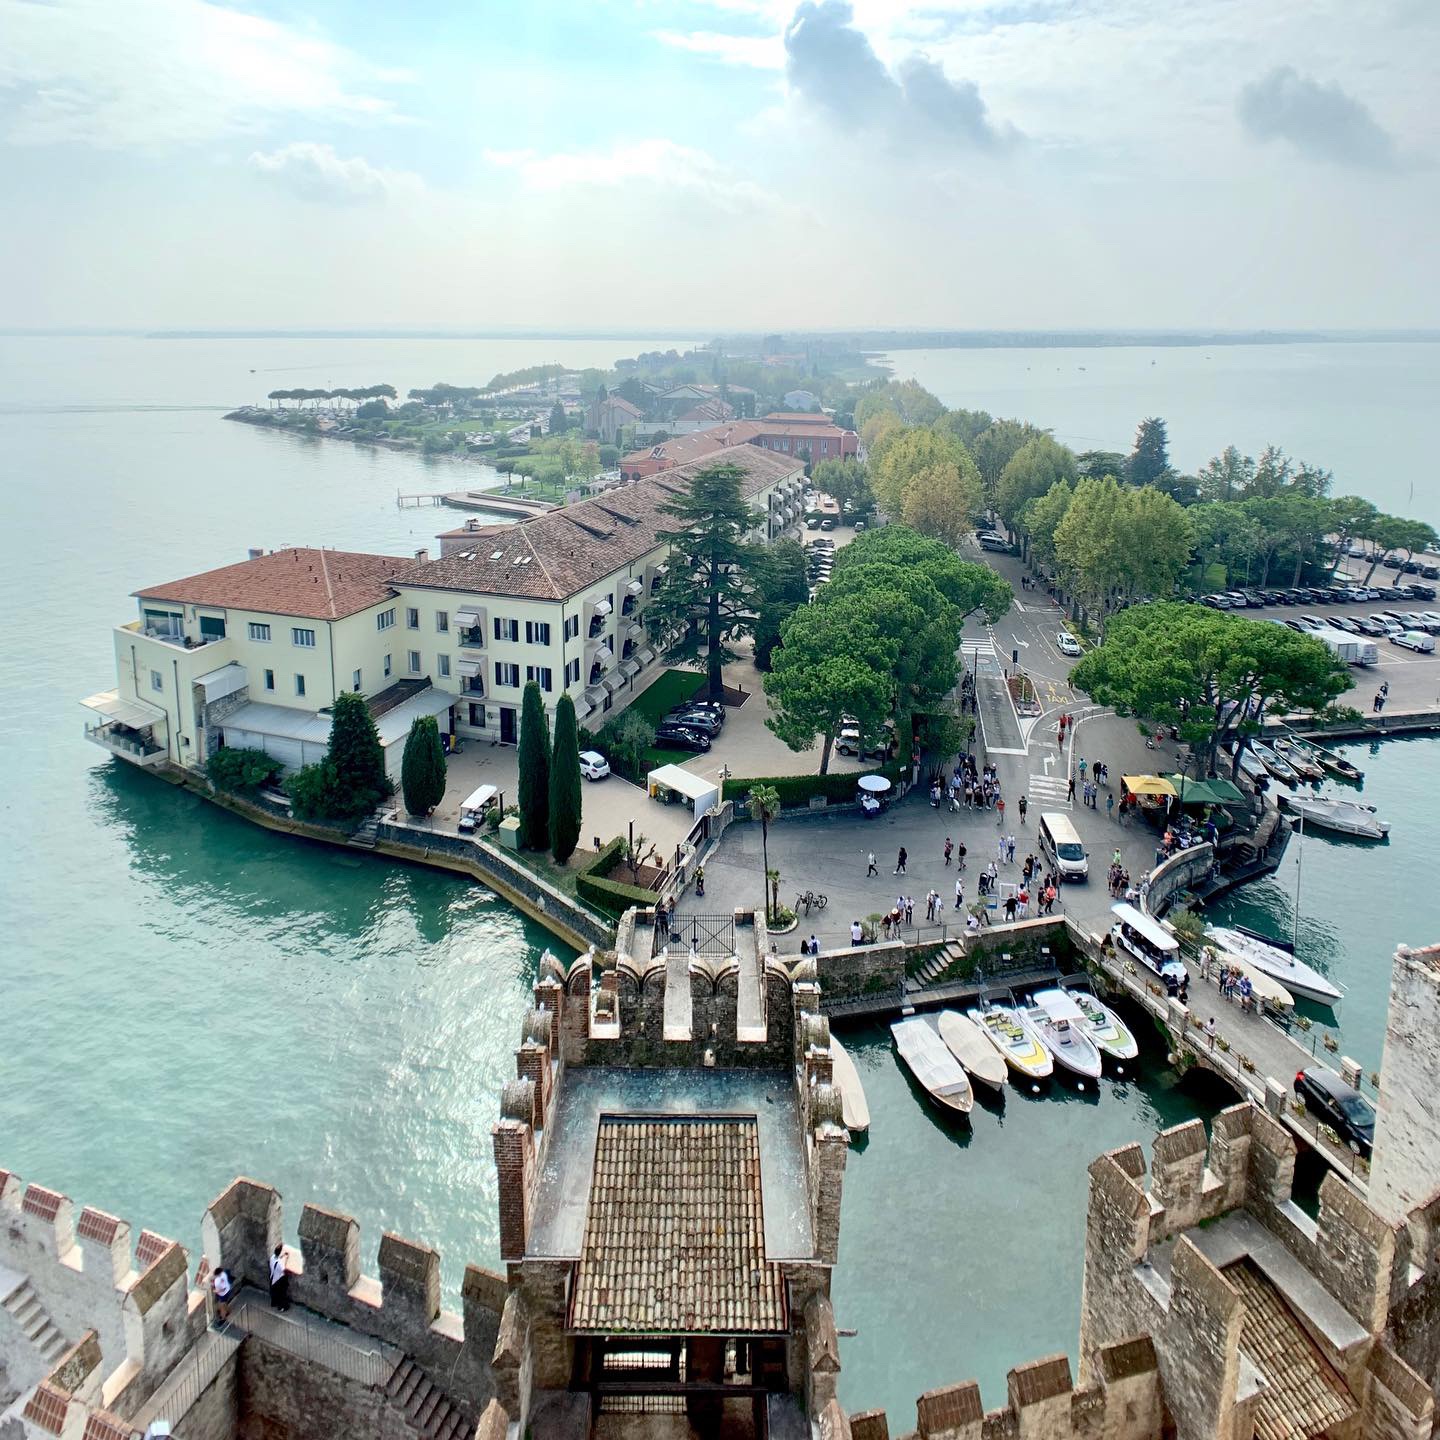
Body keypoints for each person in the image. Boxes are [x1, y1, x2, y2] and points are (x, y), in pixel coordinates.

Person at [269, 1243, 290, 1312]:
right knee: (282, 1293)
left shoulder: (272, 1258)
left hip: (273, 1277)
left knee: (275, 1292)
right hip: (279, 1280)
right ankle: (282, 1307)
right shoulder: (281, 1263)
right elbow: (286, 1271)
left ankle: (274, 1303)